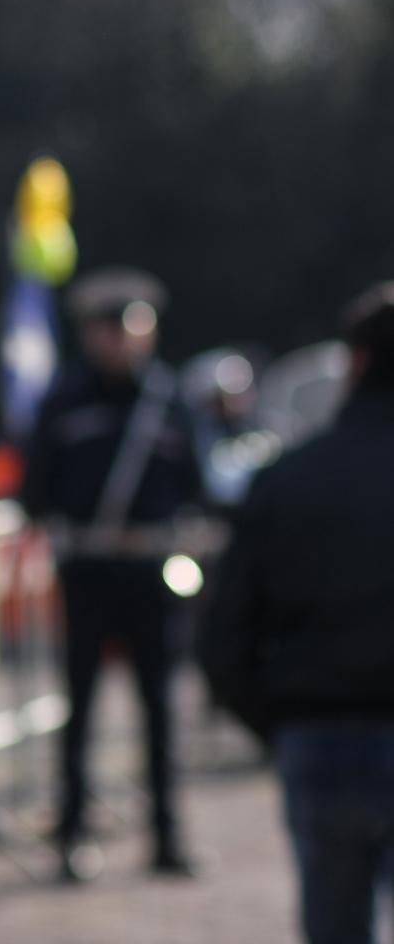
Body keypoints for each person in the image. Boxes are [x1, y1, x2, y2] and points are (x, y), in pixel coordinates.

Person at [198, 283, 394, 944]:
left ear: (355, 362)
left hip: (317, 734)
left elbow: (225, 640)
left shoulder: (286, 480)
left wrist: (280, 724)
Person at [21, 267, 202, 881]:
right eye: (109, 330)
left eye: (131, 329)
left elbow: (197, 482)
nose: (121, 341)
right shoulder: (64, 400)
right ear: (90, 334)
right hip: (88, 570)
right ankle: (72, 837)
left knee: (161, 708)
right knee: (81, 709)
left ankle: (168, 839)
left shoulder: (171, 400)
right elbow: (36, 488)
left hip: (152, 570)